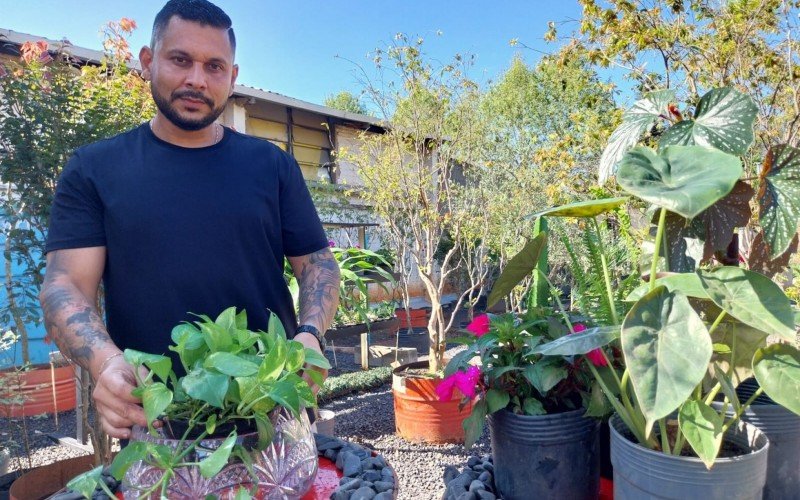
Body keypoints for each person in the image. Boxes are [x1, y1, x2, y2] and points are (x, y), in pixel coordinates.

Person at [39, 0, 340, 440]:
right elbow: (64, 283)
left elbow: (317, 262)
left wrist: (310, 335)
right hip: (150, 420)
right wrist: (106, 363)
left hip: (270, 412)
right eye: (180, 59)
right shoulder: (94, 169)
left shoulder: (271, 166)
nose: (197, 79)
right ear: (148, 61)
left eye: (215, 66)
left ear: (232, 78)